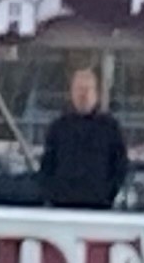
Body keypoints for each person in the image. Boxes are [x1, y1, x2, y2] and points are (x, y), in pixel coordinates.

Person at [37, 65, 130, 210]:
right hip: (62, 206)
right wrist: (53, 193)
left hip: (99, 207)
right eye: (79, 88)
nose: (83, 94)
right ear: (72, 92)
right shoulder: (58, 128)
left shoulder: (110, 128)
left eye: (88, 89)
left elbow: (120, 166)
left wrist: (108, 193)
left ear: (96, 93)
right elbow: (47, 165)